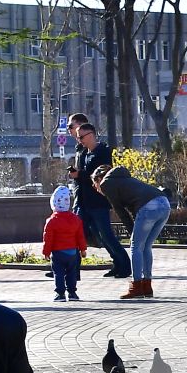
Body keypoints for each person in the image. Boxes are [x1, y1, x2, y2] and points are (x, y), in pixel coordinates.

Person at [89, 129, 171, 300]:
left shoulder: (106, 184)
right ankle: (146, 286)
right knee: (146, 246)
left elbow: (121, 211)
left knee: (135, 247)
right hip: (164, 203)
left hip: (149, 207)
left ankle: (136, 286)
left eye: (94, 184)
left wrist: (132, 232)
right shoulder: (121, 179)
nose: (96, 188)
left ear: (99, 179)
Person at [70, 118, 129, 278]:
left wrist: (79, 175)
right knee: (76, 235)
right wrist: (76, 175)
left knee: (105, 235)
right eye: (77, 137)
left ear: (91, 135)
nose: (79, 140)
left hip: (98, 202)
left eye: (81, 137)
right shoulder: (83, 154)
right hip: (82, 201)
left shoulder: (103, 152)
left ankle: (123, 265)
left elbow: (100, 176)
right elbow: (83, 175)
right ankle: (72, 270)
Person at [41, 185, 87, 301]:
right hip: (72, 252)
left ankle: (60, 294)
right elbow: (80, 236)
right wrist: (82, 249)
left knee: (59, 273)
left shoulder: (51, 221)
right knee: (72, 273)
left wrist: (46, 252)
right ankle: (72, 293)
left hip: (58, 252)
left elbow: (48, 238)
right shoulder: (75, 219)